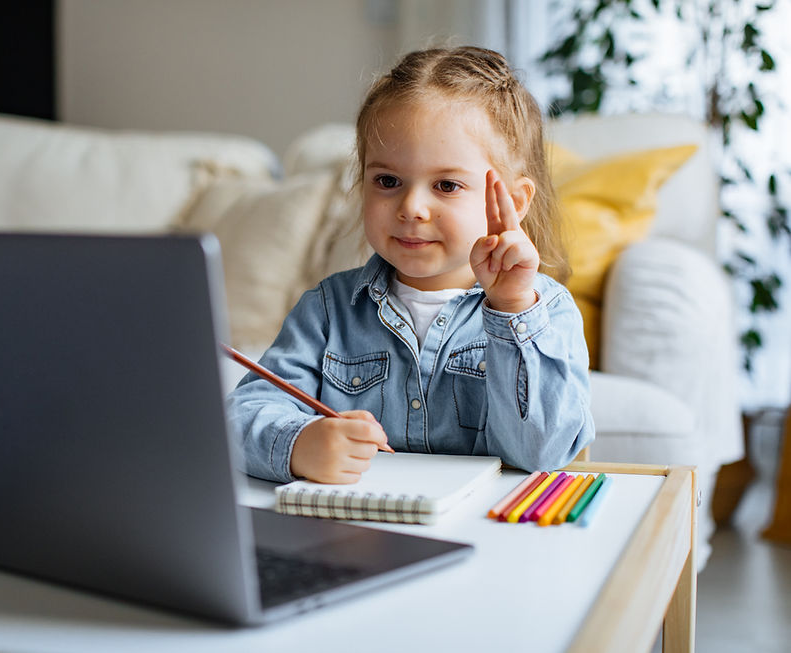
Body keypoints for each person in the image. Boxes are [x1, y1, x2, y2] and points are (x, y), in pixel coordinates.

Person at [228, 46, 594, 484]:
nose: (412, 207)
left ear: (512, 202)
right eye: (387, 181)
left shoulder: (545, 311)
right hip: (358, 533)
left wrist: (512, 307)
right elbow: (241, 418)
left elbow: (541, 453)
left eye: (446, 185)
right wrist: (298, 443)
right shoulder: (327, 310)